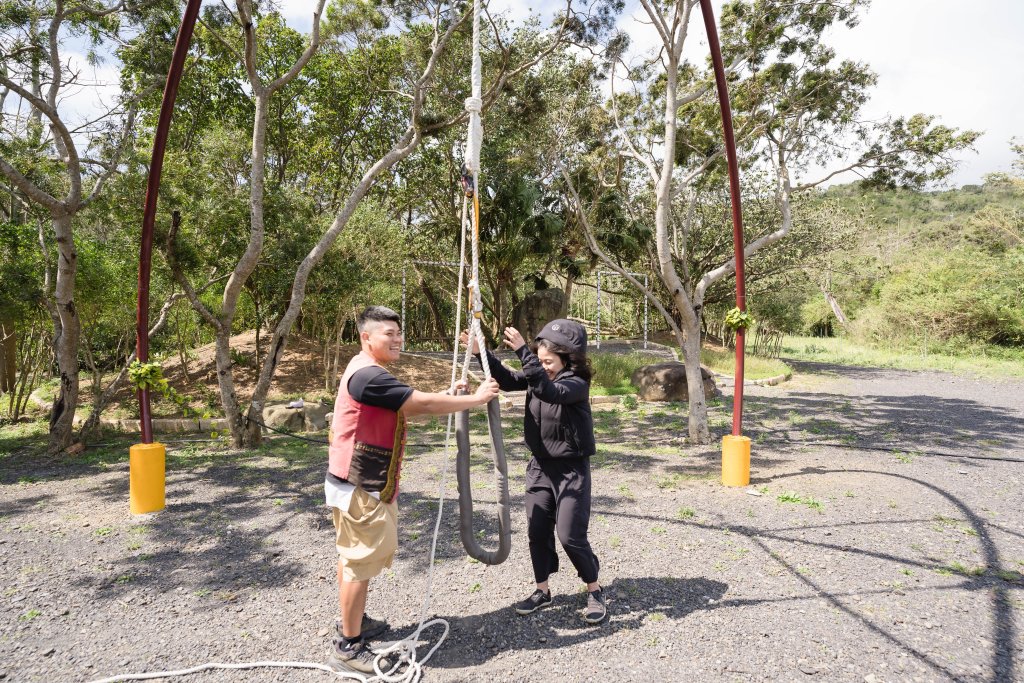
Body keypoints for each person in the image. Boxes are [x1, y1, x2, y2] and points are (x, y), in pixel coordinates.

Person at [326, 305, 499, 674]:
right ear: (366, 337)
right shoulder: (369, 375)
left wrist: (447, 393)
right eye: (388, 333)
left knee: (355, 558)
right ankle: (348, 645)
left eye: (399, 333)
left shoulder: (369, 372)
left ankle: (352, 623)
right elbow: (417, 402)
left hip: (356, 481)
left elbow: (406, 408)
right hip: (362, 485)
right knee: (359, 560)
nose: (397, 339)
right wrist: (474, 398)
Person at [463, 319, 606, 624]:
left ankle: (594, 589)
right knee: (537, 530)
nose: (543, 366)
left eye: (548, 361)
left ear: (567, 358)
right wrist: (481, 354)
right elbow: (510, 379)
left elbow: (549, 390)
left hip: (571, 470)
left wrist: (523, 353)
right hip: (540, 467)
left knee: (570, 536)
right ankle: (542, 590)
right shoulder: (537, 375)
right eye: (540, 360)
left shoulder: (576, 382)